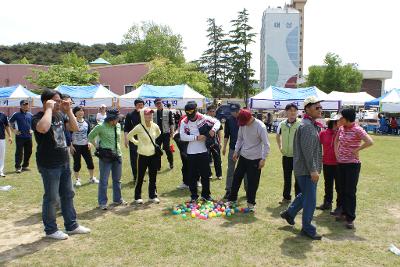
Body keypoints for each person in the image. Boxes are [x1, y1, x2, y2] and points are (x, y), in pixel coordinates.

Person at [32, 89, 90, 240]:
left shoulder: (60, 114)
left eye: (60, 100)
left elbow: (75, 128)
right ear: (46, 102)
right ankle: (51, 230)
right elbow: (43, 128)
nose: (59, 103)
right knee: (52, 198)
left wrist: (69, 110)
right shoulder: (38, 117)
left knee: (68, 194)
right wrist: (49, 109)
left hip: (64, 161)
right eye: (56, 101)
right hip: (49, 164)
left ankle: (72, 225)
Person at [280, 96, 324, 240]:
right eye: (317, 107)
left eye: (320, 107)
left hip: (305, 169)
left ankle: (290, 213)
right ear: (307, 109)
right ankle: (307, 228)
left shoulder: (310, 124)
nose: (320, 109)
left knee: (305, 195)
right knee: (310, 199)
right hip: (307, 170)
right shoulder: (307, 126)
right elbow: (307, 150)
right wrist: (313, 170)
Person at [335, 108, 373, 229]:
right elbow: (336, 141)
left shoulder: (357, 129)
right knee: (341, 189)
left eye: (341, 117)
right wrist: (337, 154)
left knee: (350, 191)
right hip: (341, 163)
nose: (339, 119)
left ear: (346, 119)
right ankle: (343, 212)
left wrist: (356, 150)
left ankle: (350, 218)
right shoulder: (341, 128)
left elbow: (370, 141)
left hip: (352, 165)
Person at [227, 108, 270, 211]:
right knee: (236, 178)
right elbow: (240, 139)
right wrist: (236, 151)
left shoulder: (260, 126)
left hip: (255, 159)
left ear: (250, 117)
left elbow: (266, 144)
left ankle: (251, 203)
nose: (243, 124)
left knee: (252, 182)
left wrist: (263, 159)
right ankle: (232, 200)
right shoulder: (242, 125)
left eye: (245, 122)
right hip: (243, 156)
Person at [179, 101, 221, 202]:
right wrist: (196, 137)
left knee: (205, 175)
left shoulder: (203, 117)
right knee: (192, 176)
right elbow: (182, 136)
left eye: (193, 115)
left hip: (203, 151)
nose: (191, 118)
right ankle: (194, 196)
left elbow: (217, 122)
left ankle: (206, 195)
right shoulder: (184, 121)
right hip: (191, 152)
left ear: (196, 111)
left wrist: (213, 130)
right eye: (189, 115)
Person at [89, 109, 127, 210]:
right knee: (104, 180)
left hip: (117, 155)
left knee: (117, 180)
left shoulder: (118, 126)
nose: (118, 120)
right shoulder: (101, 126)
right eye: (117, 118)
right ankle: (102, 202)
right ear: (111, 118)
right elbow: (90, 136)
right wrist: (97, 147)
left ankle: (117, 199)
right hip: (105, 157)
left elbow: (118, 140)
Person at [127, 108, 161, 204]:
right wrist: (136, 142)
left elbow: (159, 133)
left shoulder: (155, 126)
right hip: (142, 155)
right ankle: (137, 197)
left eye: (150, 114)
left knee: (153, 176)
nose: (149, 116)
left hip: (153, 155)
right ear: (142, 115)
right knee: (140, 176)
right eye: (147, 114)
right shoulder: (139, 127)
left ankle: (152, 196)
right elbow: (129, 135)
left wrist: (151, 142)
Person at [276, 103, 301, 204]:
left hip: (297, 157)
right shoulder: (282, 124)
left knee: (298, 178)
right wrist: (280, 146)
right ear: (286, 112)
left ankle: (298, 199)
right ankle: (286, 198)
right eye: (290, 110)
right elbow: (278, 136)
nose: (292, 112)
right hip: (286, 156)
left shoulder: (301, 124)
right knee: (287, 178)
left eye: (294, 110)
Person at [222, 103, 247, 200]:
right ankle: (229, 190)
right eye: (232, 111)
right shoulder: (228, 120)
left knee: (245, 170)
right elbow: (226, 135)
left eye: (235, 111)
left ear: (239, 110)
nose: (234, 113)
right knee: (231, 169)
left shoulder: (245, 119)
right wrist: (224, 147)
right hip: (233, 148)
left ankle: (248, 190)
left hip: (245, 148)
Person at [70, 106, 98, 187]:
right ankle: (77, 180)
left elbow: (89, 134)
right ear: (75, 113)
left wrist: (89, 142)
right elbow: (69, 134)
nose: (81, 112)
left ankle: (92, 178)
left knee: (90, 162)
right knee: (77, 163)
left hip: (85, 145)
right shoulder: (72, 121)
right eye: (79, 111)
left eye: (82, 111)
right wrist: (71, 145)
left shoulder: (86, 122)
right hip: (76, 146)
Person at [316, 116, 340, 212]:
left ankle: (339, 206)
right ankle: (327, 203)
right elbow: (317, 147)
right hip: (327, 162)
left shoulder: (341, 133)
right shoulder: (323, 133)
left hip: (339, 163)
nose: (338, 124)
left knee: (339, 185)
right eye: (336, 122)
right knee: (328, 184)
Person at [124, 98, 144, 183]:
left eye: (142, 105)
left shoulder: (145, 114)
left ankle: (141, 176)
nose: (141, 106)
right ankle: (136, 177)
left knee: (143, 158)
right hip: (133, 139)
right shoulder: (130, 115)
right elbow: (126, 128)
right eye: (139, 105)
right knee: (134, 158)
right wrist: (126, 139)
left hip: (144, 139)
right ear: (135, 105)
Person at [9, 100, 33, 173]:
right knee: (19, 152)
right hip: (20, 137)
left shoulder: (30, 115)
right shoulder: (16, 114)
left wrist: (32, 130)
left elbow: (34, 124)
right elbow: (10, 122)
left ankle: (25, 166)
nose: (26, 106)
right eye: (24, 104)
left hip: (29, 137)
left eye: (27, 104)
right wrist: (14, 130)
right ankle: (18, 167)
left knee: (29, 152)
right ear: (21, 106)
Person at [153, 98, 174, 170]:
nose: (159, 105)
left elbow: (171, 123)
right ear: (155, 105)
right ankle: (158, 166)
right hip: (157, 134)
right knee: (157, 149)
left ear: (162, 103)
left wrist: (172, 132)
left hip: (166, 133)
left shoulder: (168, 112)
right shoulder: (153, 113)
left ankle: (171, 163)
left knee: (167, 148)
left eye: (159, 103)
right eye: (157, 104)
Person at [206, 105, 223, 180]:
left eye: (214, 111)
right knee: (206, 159)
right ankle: (209, 174)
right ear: (207, 112)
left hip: (215, 142)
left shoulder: (217, 121)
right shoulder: (204, 120)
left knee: (217, 159)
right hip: (205, 142)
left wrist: (220, 142)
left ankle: (219, 174)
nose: (212, 113)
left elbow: (219, 132)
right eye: (211, 111)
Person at [0, 111, 12, 177]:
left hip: (1, 138)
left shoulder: (3, 115)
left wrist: (10, 136)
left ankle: (0, 171)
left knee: (1, 155)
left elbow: (7, 126)